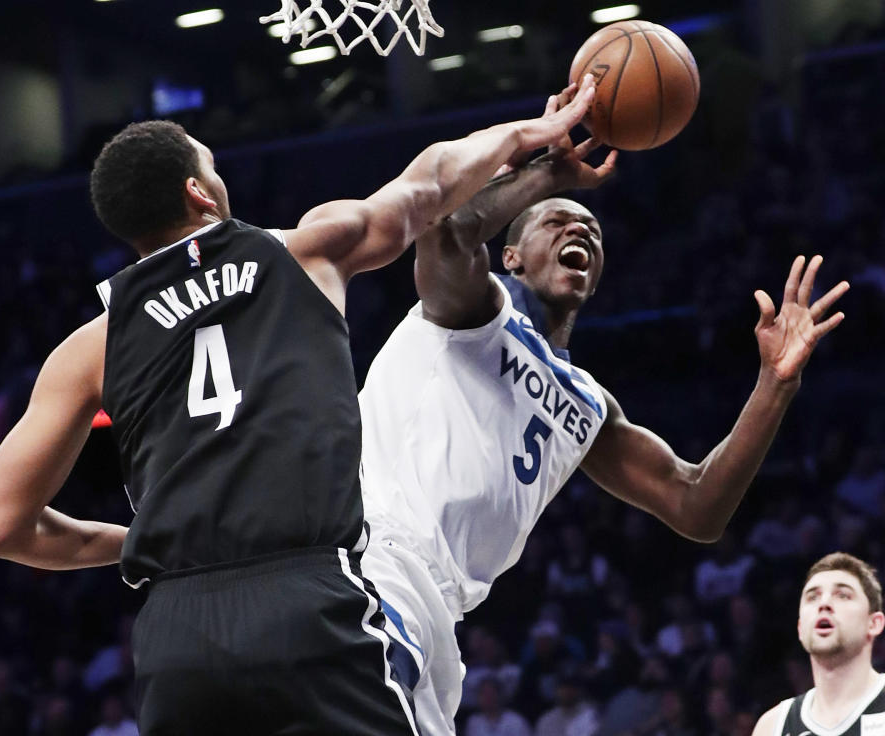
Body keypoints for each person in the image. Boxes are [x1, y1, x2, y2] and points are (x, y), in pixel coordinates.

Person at [0, 74, 602, 735]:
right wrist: (528, 135)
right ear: (198, 191)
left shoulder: (89, 346)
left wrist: (136, 544)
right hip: (308, 598)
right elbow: (431, 182)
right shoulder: (304, 251)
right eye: (211, 165)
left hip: (178, 633)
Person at [358, 90, 850, 735]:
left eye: (590, 229)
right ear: (510, 256)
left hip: (440, 611)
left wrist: (775, 384)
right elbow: (446, 228)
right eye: (556, 223)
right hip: (375, 558)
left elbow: (697, 506)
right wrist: (545, 176)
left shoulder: (588, 404)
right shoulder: (474, 311)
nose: (580, 229)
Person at [751, 552, 885, 735]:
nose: (824, 603)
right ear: (800, 628)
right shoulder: (773, 726)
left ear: (874, 623)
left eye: (843, 595)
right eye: (812, 597)